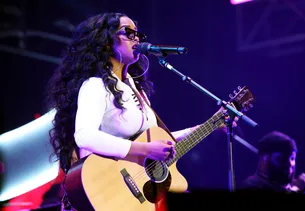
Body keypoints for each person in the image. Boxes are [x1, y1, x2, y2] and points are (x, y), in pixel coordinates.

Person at [45, 12, 236, 210]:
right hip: (104, 188)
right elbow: (85, 136)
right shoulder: (96, 85)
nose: (136, 38)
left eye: (138, 34)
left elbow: (160, 142)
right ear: (105, 42)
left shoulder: (137, 90)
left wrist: (209, 125)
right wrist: (146, 149)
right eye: (128, 32)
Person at [241, 131, 305, 193]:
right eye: (282, 158)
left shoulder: (288, 187)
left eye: (292, 158)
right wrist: (296, 190)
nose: (290, 164)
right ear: (265, 159)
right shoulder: (252, 186)